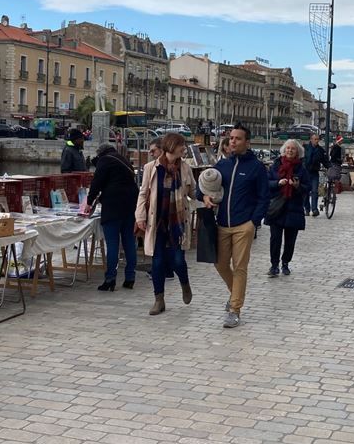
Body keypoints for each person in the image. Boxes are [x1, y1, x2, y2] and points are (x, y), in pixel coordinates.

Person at [199, 123, 268, 329]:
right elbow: (201, 187)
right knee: (220, 264)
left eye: (237, 139)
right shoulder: (222, 166)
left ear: (247, 142)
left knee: (240, 267)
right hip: (221, 224)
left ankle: (234, 309)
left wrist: (253, 222)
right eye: (231, 138)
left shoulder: (256, 168)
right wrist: (204, 197)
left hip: (243, 226)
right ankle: (235, 293)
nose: (233, 142)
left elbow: (264, 198)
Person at [135, 132, 196, 314]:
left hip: (177, 221)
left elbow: (193, 192)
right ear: (171, 146)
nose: (184, 148)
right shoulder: (150, 168)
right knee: (158, 262)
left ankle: (185, 283)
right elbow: (143, 193)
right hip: (157, 220)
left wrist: (207, 196)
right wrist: (140, 216)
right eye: (181, 145)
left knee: (178, 261)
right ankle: (159, 300)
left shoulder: (185, 169)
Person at [88, 144, 138, 291]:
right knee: (129, 240)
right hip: (130, 205)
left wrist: (89, 202)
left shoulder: (105, 161)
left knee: (112, 244)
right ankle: (130, 278)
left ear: (100, 153)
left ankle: (110, 279)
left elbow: (96, 183)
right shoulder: (123, 160)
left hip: (113, 206)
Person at [266, 139, 311, 276]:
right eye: (288, 148)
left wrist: (297, 186)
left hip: (294, 208)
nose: (290, 151)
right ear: (284, 150)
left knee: (290, 240)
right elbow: (267, 183)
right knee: (275, 239)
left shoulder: (301, 169)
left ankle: (285, 263)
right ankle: (274, 265)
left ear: (298, 152)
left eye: (293, 149)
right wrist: (277, 183)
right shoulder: (275, 166)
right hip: (277, 207)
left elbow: (307, 188)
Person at [302, 132, 328, 217]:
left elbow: (324, 161)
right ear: (311, 140)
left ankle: (314, 209)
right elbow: (301, 159)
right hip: (305, 173)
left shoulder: (320, 150)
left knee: (314, 191)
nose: (317, 141)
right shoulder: (305, 148)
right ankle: (307, 209)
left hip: (314, 173)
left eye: (318, 139)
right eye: (315, 139)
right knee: (305, 192)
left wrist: (330, 166)